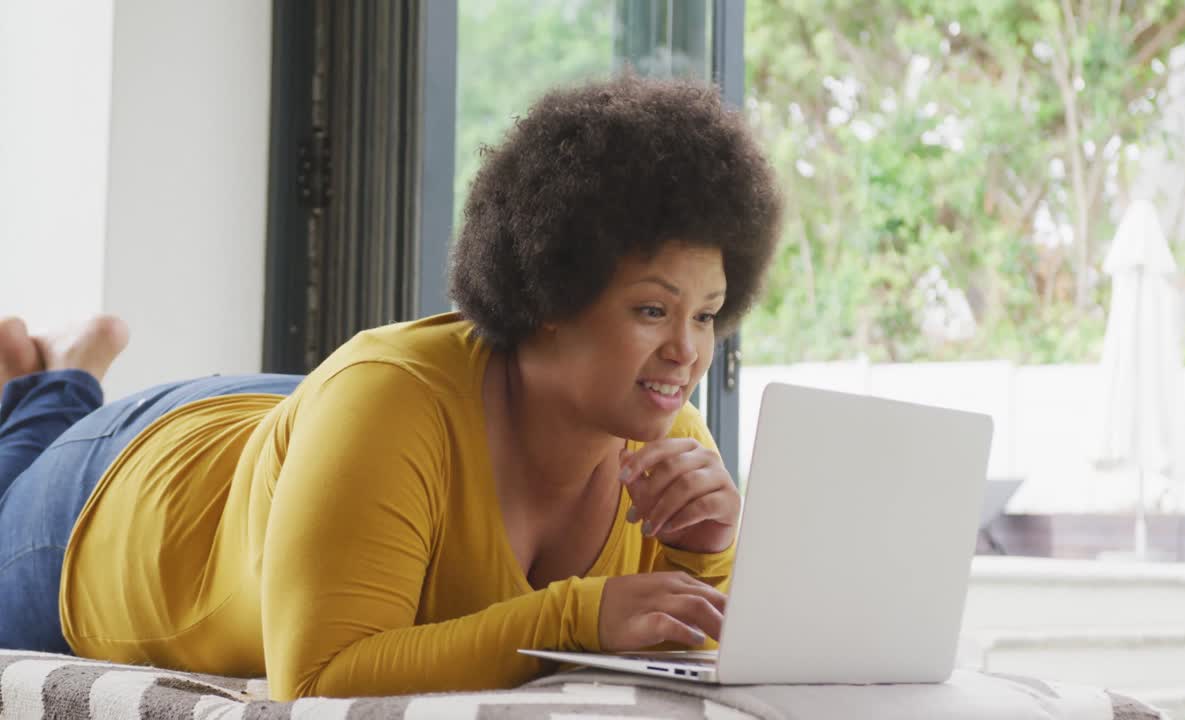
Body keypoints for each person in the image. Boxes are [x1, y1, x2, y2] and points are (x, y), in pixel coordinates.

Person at [0, 74, 783, 701]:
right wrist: (577, 617)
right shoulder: (386, 401)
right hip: (130, 489)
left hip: (316, 433)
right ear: (550, 295)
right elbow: (315, 679)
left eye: (707, 315)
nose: (687, 351)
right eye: (652, 309)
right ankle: (55, 381)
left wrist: (707, 555)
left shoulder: (669, 435)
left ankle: (58, 371)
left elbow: (677, 647)